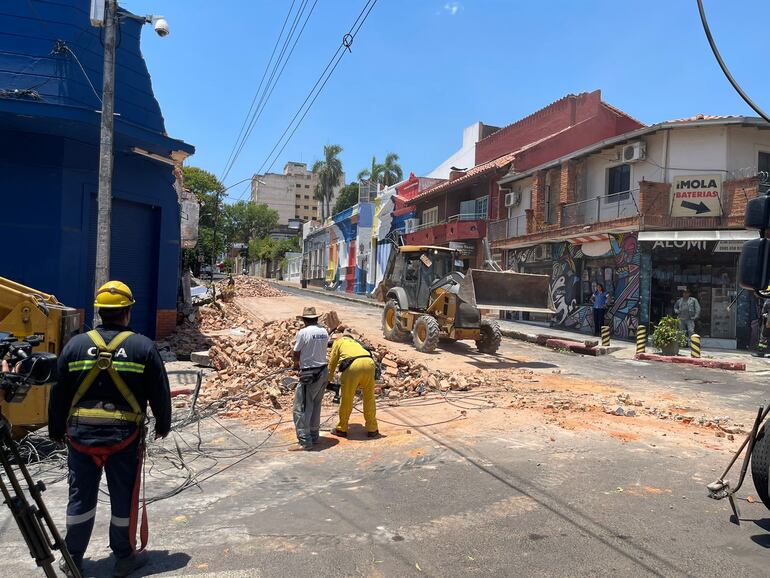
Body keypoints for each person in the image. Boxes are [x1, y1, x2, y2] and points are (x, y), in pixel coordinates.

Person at [48, 281, 171, 577]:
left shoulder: (75, 346)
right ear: (127, 312)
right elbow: (160, 391)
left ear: (100, 311)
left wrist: (55, 429)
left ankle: (72, 556)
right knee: (122, 498)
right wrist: (163, 424)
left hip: (81, 438)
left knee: (80, 497)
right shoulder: (143, 346)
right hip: (123, 439)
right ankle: (124, 556)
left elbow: (59, 393)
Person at [328, 331, 379, 439]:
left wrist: (328, 379)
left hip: (353, 366)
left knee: (347, 398)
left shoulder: (338, 341)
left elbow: (332, 362)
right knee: (369, 397)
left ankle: (342, 428)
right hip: (370, 364)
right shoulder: (357, 343)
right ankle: (372, 428)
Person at [291, 306, 329, 450]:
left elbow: (296, 353)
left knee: (301, 407)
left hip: (309, 374)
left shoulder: (303, 332)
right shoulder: (324, 331)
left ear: (305, 320)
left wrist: (296, 365)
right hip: (323, 372)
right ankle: (314, 436)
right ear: (316, 318)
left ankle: (305, 441)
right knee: (316, 405)